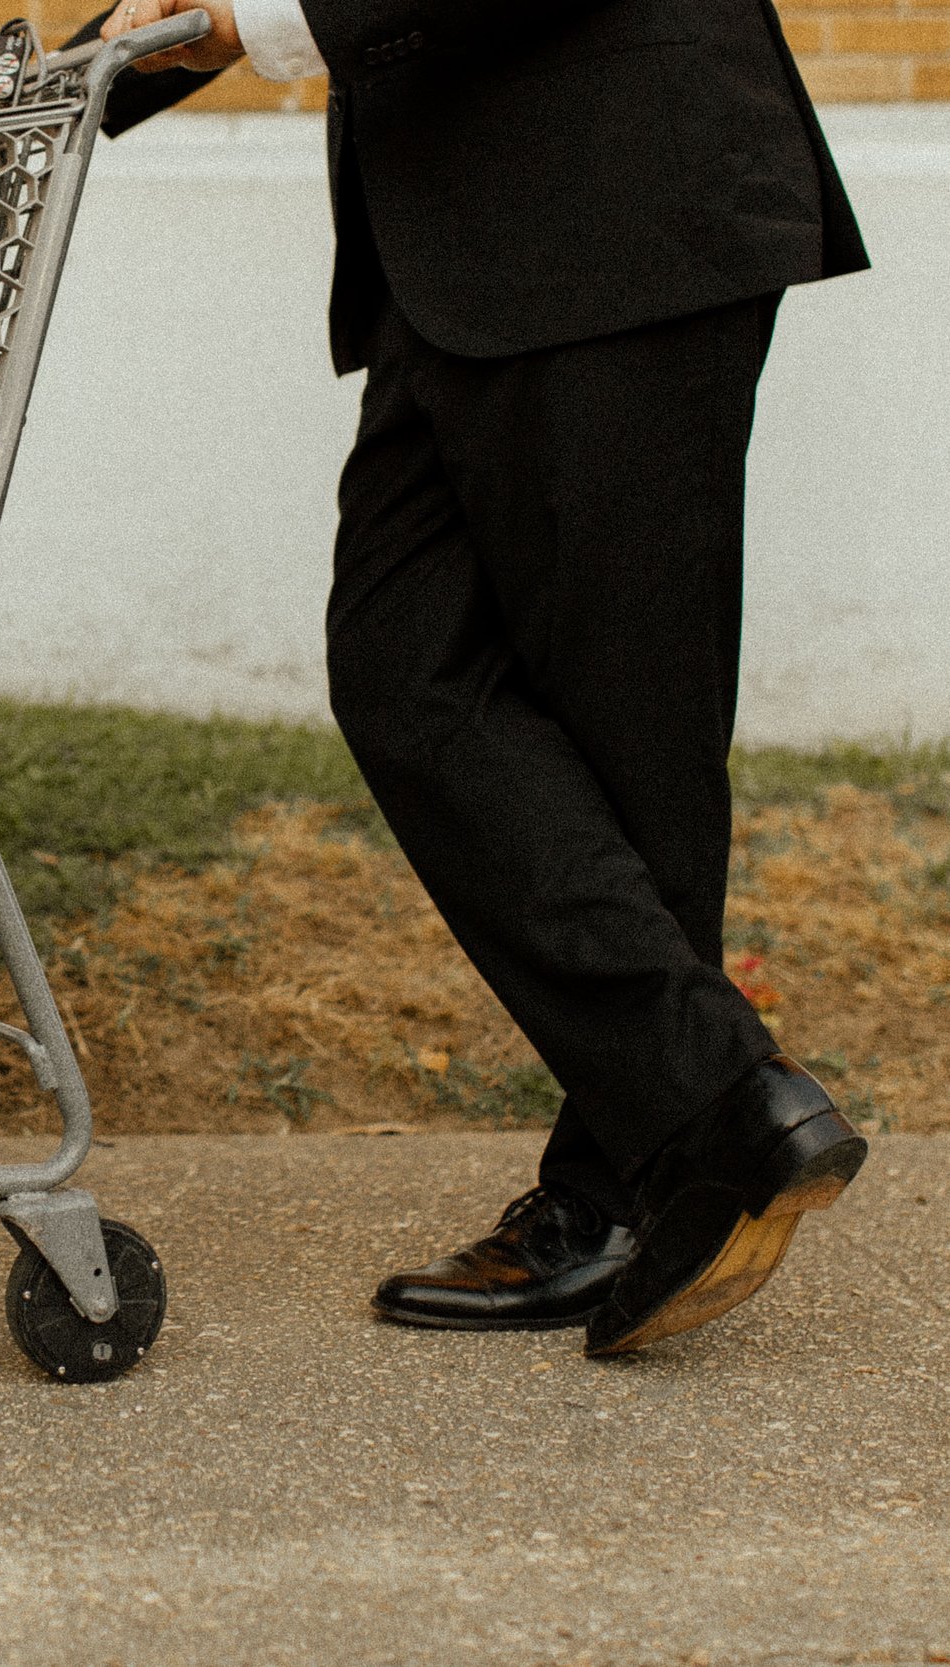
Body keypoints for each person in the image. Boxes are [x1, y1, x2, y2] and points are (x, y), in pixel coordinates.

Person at [72, 0, 872, 1355]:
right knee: (404, 669)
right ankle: (711, 1105)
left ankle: (635, 1179)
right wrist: (66, 77)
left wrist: (246, 21)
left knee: (630, 729)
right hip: (474, 244)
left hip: (613, 207)